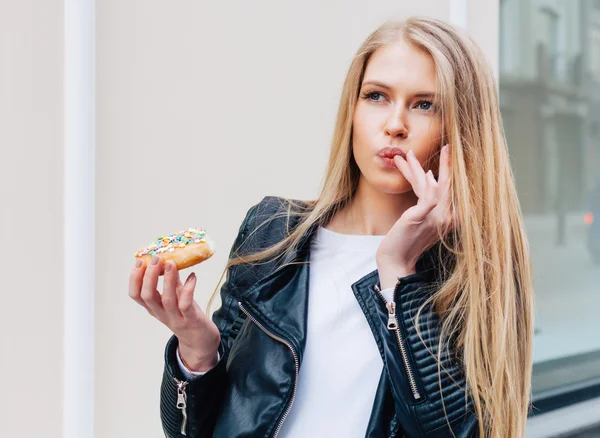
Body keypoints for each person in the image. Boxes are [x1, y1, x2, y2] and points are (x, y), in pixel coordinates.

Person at [129, 16, 534, 438]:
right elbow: (192, 431)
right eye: (376, 96)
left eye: (424, 104)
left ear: (461, 128)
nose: (395, 124)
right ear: (353, 110)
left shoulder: (474, 268)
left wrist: (398, 274)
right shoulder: (271, 232)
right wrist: (197, 352)